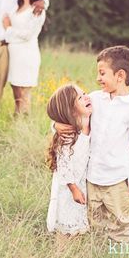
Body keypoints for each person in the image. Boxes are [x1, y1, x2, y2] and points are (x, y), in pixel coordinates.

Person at [55, 46, 129, 242]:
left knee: (120, 221)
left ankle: (121, 251)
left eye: (102, 73)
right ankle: (97, 250)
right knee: (94, 220)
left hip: (117, 177)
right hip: (92, 176)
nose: (98, 78)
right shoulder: (96, 98)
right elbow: (70, 110)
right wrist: (56, 125)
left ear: (120, 76)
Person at [46, 84, 92, 235]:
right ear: (71, 111)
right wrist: (73, 189)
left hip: (82, 182)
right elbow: (64, 165)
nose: (86, 96)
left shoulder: (91, 119)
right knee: (66, 222)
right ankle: (61, 252)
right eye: (80, 97)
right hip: (69, 187)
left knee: (78, 222)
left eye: (84, 93)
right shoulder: (68, 134)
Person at [2, 0, 49, 114]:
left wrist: (8, 28)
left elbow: (28, 34)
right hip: (14, 54)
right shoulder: (18, 6)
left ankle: (25, 121)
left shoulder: (37, 11)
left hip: (26, 54)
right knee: (15, 90)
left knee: (24, 92)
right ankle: (17, 118)